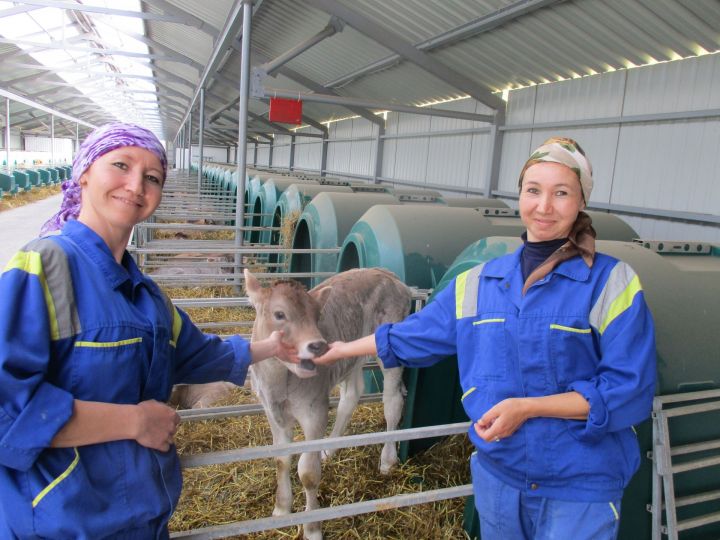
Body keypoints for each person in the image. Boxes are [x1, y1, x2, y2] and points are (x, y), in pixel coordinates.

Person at [314, 137, 656, 539]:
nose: (544, 206)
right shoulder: (480, 282)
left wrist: (526, 408)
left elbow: (627, 388)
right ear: (520, 195)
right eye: (533, 190)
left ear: (581, 201)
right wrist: (341, 348)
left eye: (561, 192)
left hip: (578, 484)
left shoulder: (611, 283)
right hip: (499, 477)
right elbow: (415, 336)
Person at [0, 123, 297, 539]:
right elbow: (6, 411)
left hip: (143, 518)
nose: (136, 185)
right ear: (84, 172)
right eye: (120, 165)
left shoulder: (149, 298)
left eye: (152, 177)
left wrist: (271, 347)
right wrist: (133, 422)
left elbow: (198, 354)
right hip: (63, 522)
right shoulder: (42, 268)